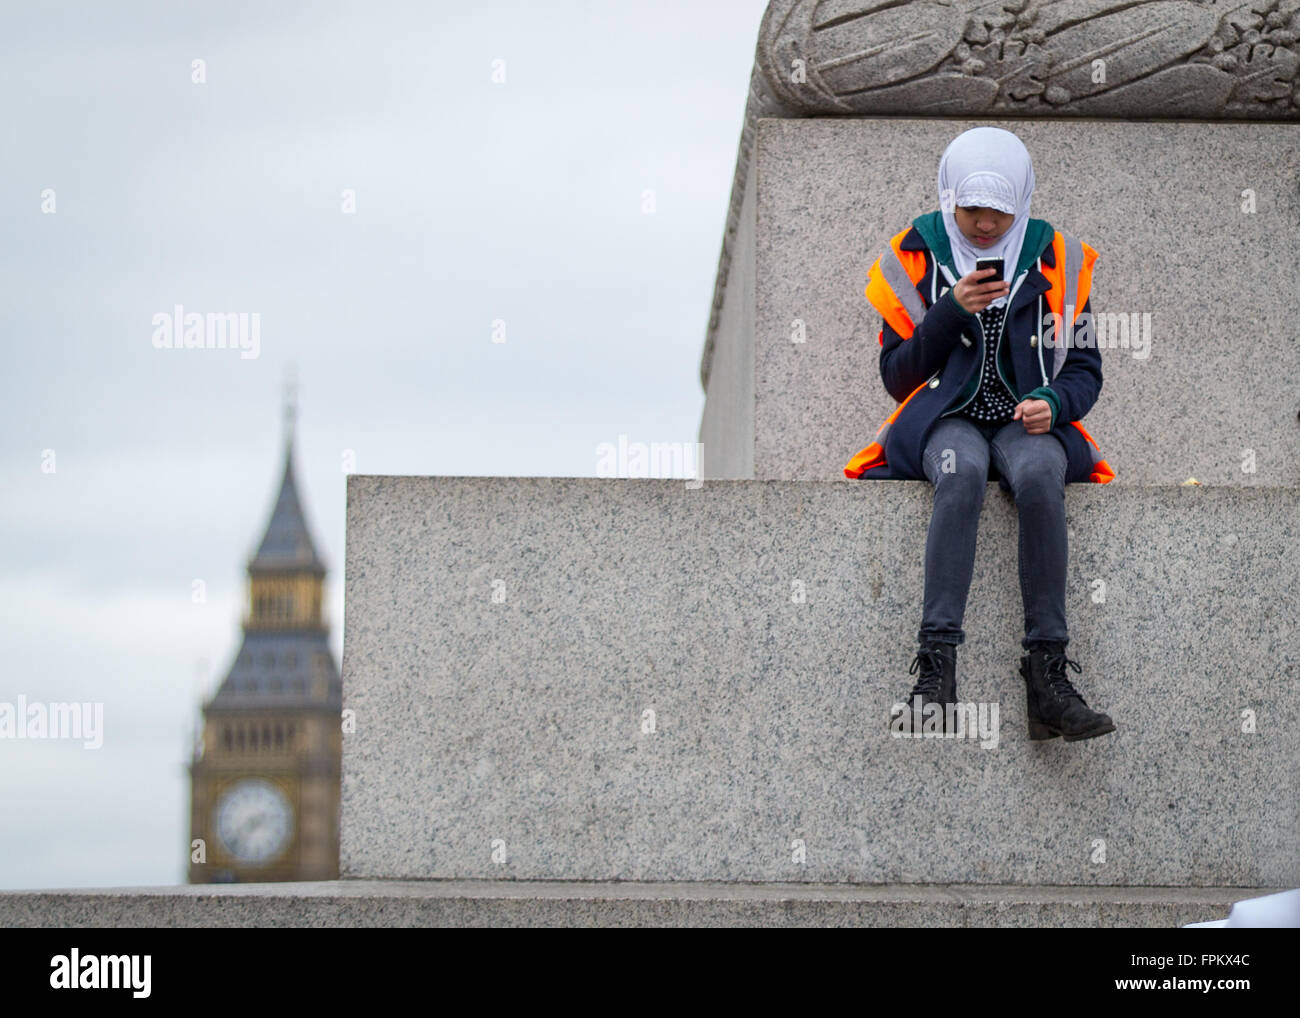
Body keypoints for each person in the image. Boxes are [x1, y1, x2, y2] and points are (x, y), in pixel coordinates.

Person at [844, 126, 1116, 742]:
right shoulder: (913, 254)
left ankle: (1048, 676)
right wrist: (950, 311)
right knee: (959, 473)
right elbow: (897, 375)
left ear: (1021, 201)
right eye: (972, 210)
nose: (987, 225)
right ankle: (935, 673)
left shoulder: (1058, 257)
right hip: (948, 418)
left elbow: (1085, 370)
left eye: (1000, 211)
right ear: (949, 198)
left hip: (1026, 425)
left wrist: (1052, 400)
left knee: (1043, 474)